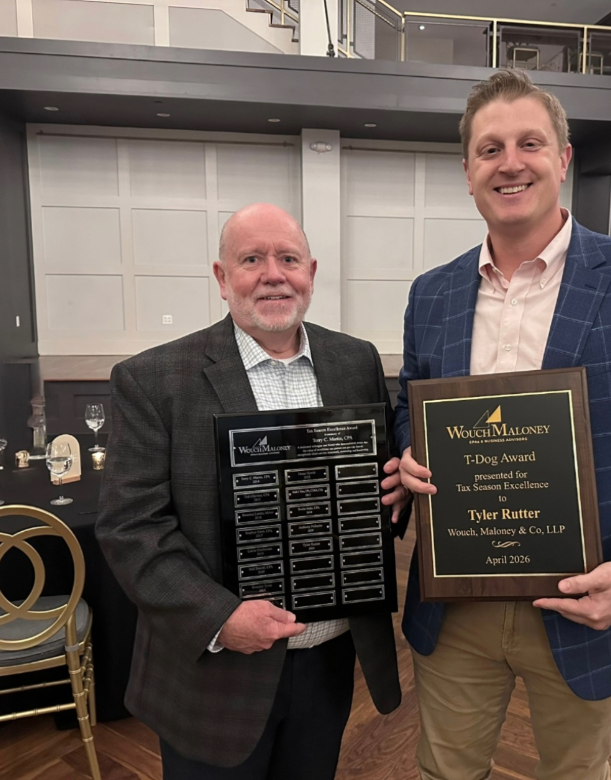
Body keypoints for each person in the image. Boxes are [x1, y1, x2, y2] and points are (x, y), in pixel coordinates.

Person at [394, 69, 611, 780]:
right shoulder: (432, 294)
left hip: (588, 601)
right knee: (443, 771)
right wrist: (405, 450)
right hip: (456, 605)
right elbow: (411, 404)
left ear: (563, 157)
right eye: (489, 149)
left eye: (529, 143)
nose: (510, 162)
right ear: (467, 171)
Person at [96, 203, 410, 780]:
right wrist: (220, 618)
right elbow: (130, 528)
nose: (273, 273)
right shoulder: (154, 378)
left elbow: (375, 485)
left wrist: (391, 495)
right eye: (251, 259)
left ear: (310, 271)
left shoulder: (355, 360)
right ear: (222, 277)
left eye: (288, 258)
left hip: (329, 657)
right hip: (212, 675)